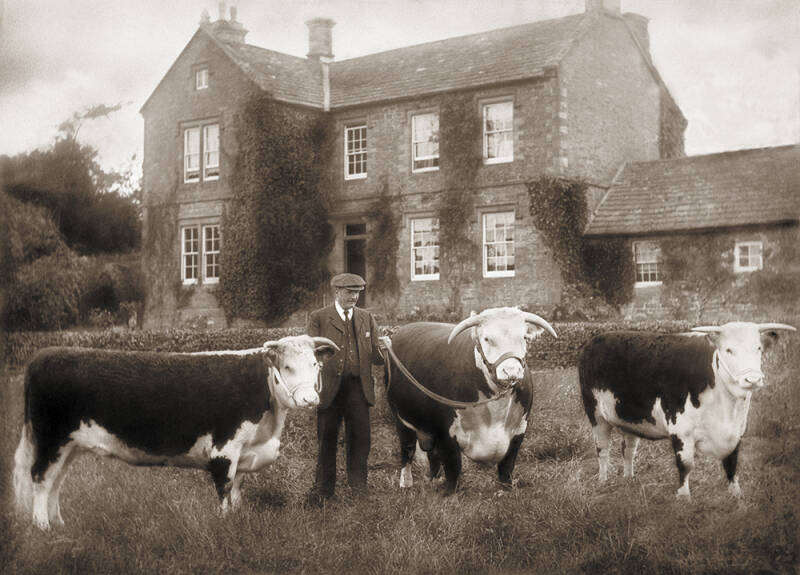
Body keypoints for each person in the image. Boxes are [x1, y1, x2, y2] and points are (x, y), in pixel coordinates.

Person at [306, 273, 385, 505]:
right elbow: (308, 353)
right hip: (329, 390)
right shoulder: (319, 317)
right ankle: (323, 492)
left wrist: (384, 348)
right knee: (327, 440)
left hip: (358, 389)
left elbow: (376, 358)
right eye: (350, 292)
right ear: (337, 292)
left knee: (360, 440)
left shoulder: (366, 317)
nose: (354, 297)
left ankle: (359, 491)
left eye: (357, 292)